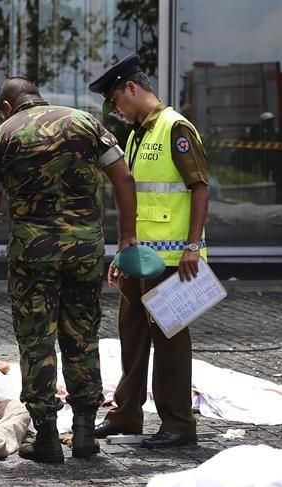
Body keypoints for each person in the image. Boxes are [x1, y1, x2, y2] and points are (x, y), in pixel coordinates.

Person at [0, 77, 138, 464]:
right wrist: (127, 235)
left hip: (33, 255)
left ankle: (45, 436)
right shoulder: (86, 123)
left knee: (36, 341)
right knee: (82, 336)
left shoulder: (2, 136)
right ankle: (83, 433)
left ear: (7, 108)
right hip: (84, 251)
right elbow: (123, 178)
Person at [88, 53, 211, 449]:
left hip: (175, 261)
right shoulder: (139, 134)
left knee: (171, 341)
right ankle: (126, 415)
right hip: (141, 259)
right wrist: (124, 254)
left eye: (116, 102)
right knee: (133, 335)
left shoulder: (176, 128)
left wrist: (193, 245)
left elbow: (200, 188)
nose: (117, 111)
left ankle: (178, 423)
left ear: (132, 88)